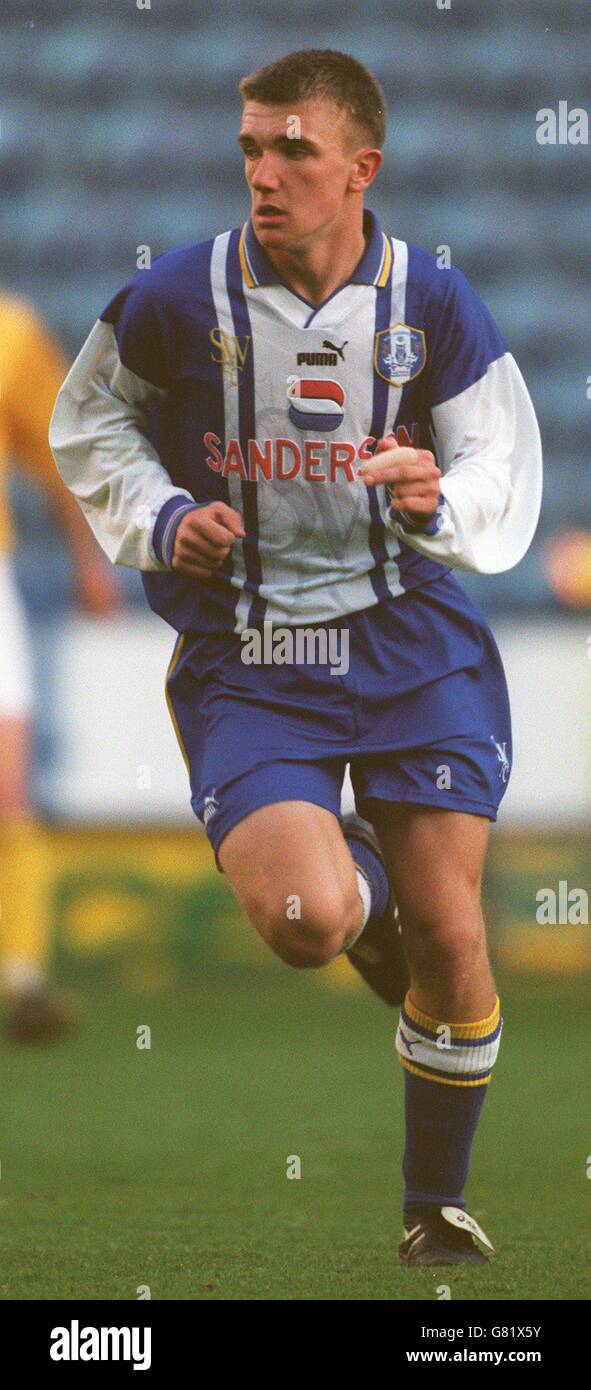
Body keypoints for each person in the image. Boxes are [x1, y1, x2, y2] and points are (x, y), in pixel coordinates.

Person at [49, 49, 542, 1264]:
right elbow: (88, 419)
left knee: (455, 932)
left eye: (294, 152)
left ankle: (436, 1207)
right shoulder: (175, 297)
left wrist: (435, 493)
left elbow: (501, 462)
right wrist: (162, 515)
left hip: (408, 639)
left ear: (361, 169)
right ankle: (356, 896)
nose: (264, 176)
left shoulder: (430, 302)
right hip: (253, 651)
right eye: (250, 151)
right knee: (304, 919)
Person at [0, 293, 119, 1041]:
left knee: (9, 788)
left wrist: (89, 559)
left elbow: (52, 456)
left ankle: (23, 979)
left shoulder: (11, 332)